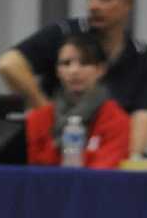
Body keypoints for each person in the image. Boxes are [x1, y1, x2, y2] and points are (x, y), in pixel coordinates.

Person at [0, 0, 147, 157]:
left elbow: (141, 120)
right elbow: (8, 64)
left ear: (127, 3)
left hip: (107, 150)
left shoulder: (142, 57)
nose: (94, 5)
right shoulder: (64, 33)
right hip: (55, 146)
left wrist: (133, 160)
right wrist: (47, 111)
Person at [26, 32, 130, 168]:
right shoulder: (37, 119)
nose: (74, 70)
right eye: (66, 63)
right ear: (57, 71)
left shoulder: (116, 119)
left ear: (101, 69)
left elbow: (105, 170)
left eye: (84, 62)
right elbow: (30, 168)